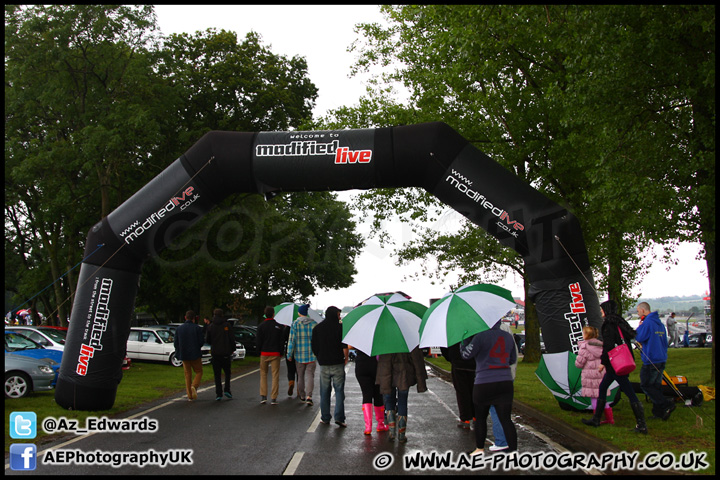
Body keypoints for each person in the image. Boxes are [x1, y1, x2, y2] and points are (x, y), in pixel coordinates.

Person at [583, 300, 647, 434]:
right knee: (603, 387)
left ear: (606, 310)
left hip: (615, 364)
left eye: (602, 309)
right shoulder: (620, 322)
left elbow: (608, 345)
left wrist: (603, 362)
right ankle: (596, 418)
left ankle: (641, 424)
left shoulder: (608, 325)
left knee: (629, 391)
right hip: (622, 360)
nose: (601, 312)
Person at [461, 322, 518, 456]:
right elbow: (512, 359)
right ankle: (513, 451)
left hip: (484, 382)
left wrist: (465, 341)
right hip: (504, 381)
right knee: (506, 419)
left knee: (480, 418)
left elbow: (466, 355)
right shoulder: (507, 336)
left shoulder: (480, 337)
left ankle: (479, 449)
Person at [376, 346, 428, 443]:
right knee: (402, 402)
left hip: (387, 370)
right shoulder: (408, 335)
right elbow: (417, 358)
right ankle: (401, 434)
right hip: (404, 371)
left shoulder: (384, 336)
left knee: (389, 400)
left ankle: (392, 432)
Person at [636, 302, 675, 421]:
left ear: (643, 311)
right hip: (661, 357)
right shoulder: (659, 323)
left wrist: (640, 326)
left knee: (646, 384)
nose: (638, 314)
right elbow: (664, 341)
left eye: (638, 311)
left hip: (651, 359)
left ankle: (665, 403)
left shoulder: (647, 323)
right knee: (656, 386)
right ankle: (659, 412)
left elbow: (639, 337)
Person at [311, 306, 349, 427]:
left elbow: (314, 346)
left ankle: (325, 417)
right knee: (339, 391)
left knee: (324, 391)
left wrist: (319, 357)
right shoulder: (340, 328)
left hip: (324, 364)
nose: (339, 317)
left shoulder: (318, 328)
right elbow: (344, 346)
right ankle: (339, 417)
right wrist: (346, 358)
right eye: (338, 314)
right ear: (334, 315)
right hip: (337, 362)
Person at [575, 326, 613, 425]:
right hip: (601, 374)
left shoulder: (584, 347)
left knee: (594, 397)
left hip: (590, 376)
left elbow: (579, 363)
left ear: (586, 335)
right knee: (602, 396)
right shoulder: (601, 346)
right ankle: (610, 418)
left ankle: (596, 418)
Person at [351, 348, 388, 435]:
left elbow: (349, 347)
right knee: (378, 394)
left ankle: (368, 426)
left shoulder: (358, 334)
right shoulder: (379, 335)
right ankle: (380, 424)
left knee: (366, 394)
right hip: (376, 364)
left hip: (361, 365)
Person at [287, 304, 317, 406]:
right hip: (311, 354)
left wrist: (289, 354)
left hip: (299, 355)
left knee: (300, 376)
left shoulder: (295, 324)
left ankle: (302, 395)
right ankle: (309, 396)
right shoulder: (314, 324)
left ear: (299, 313)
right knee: (310, 376)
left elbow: (292, 340)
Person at [440, 342, 476, 429]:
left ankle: (465, 419)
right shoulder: (473, 330)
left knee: (462, 392)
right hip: (473, 363)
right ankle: (476, 416)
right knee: (474, 390)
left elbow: (444, 348)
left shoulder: (451, 331)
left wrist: (451, 358)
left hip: (458, 363)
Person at [174, 310, 205, 401]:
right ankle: (194, 386)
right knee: (199, 371)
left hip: (184, 354)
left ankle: (190, 395)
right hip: (195, 353)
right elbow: (201, 341)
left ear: (185, 317)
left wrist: (179, 351)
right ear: (194, 318)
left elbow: (176, 343)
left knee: (187, 374)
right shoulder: (197, 328)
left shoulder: (179, 329)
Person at [257, 306, 285, 405]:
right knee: (275, 375)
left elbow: (259, 341)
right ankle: (273, 397)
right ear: (273, 314)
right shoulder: (278, 326)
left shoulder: (261, 326)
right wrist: (281, 352)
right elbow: (281, 341)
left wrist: (259, 351)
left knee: (263, 374)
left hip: (264, 352)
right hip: (275, 352)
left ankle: (263, 395)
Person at [206, 308, 235, 401]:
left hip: (215, 353)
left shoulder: (211, 326)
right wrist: (232, 349)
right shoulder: (227, 325)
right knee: (227, 372)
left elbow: (208, 340)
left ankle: (218, 393)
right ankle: (227, 389)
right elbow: (231, 338)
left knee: (217, 374)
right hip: (225, 352)